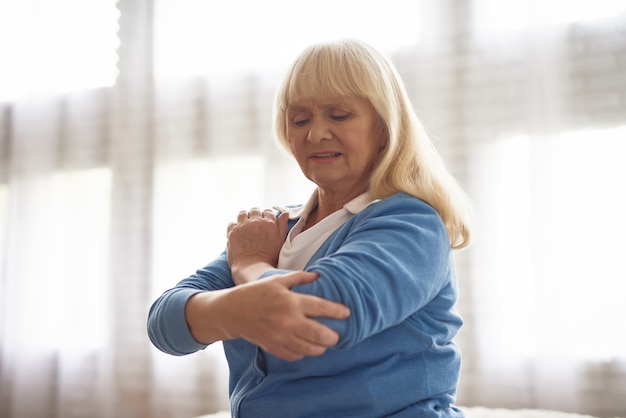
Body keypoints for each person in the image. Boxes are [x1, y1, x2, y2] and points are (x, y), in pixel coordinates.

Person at [147, 39, 472, 418]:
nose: (315, 134)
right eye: (300, 119)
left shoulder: (410, 221)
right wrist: (237, 306)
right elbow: (165, 323)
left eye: (339, 115)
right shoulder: (277, 227)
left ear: (384, 127)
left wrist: (249, 267)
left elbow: (318, 314)